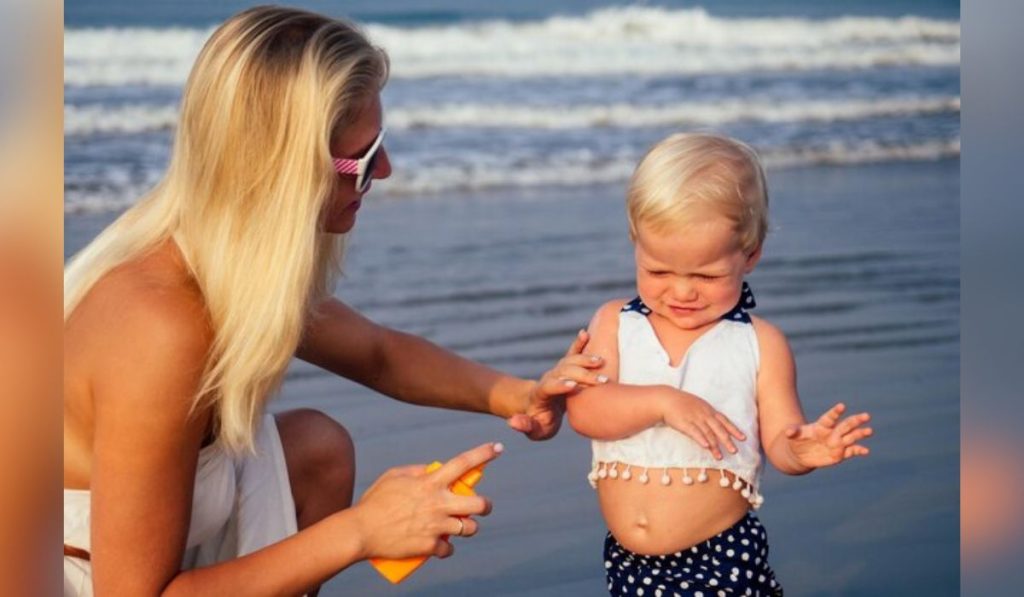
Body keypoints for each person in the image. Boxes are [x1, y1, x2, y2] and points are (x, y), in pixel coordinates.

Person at [62, 7, 604, 596]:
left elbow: (378, 354)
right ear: (284, 170)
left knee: (315, 448)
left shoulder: (222, 266)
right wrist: (362, 531)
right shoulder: (160, 324)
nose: (388, 171)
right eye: (366, 160)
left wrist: (519, 395)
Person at [566, 133, 874, 595]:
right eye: (658, 271)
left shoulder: (759, 344)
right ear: (636, 243)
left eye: (706, 276)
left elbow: (779, 439)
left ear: (749, 255)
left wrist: (802, 452)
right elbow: (587, 412)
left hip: (721, 558)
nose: (682, 291)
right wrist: (664, 402)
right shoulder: (615, 322)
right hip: (629, 564)